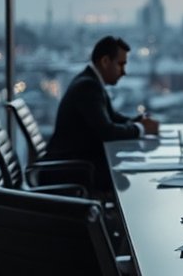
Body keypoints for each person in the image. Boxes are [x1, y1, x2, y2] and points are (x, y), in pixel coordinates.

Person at [44, 36, 159, 193]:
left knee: (131, 181)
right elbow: (107, 132)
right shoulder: (88, 86)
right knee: (136, 186)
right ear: (105, 61)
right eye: (120, 64)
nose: (124, 72)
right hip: (72, 170)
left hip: (78, 165)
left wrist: (137, 122)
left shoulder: (90, 81)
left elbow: (110, 117)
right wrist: (141, 128)